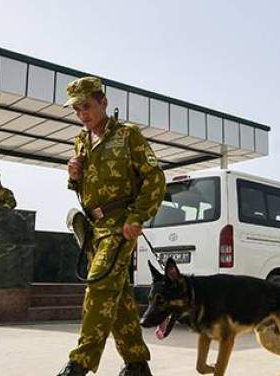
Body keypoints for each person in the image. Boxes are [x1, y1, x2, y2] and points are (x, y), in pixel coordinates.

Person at [57, 77, 166, 376]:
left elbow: (155, 178)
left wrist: (137, 216)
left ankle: (79, 364)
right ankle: (136, 364)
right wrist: (73, 174)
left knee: (99, 286)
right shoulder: (81, 140)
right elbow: (84, 187)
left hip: (120, 223)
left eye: (87, 106)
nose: (82, 114)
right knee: (117, 297)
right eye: (77, 109)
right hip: (94, 227)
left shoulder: (127, 135)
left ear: (103, 102)